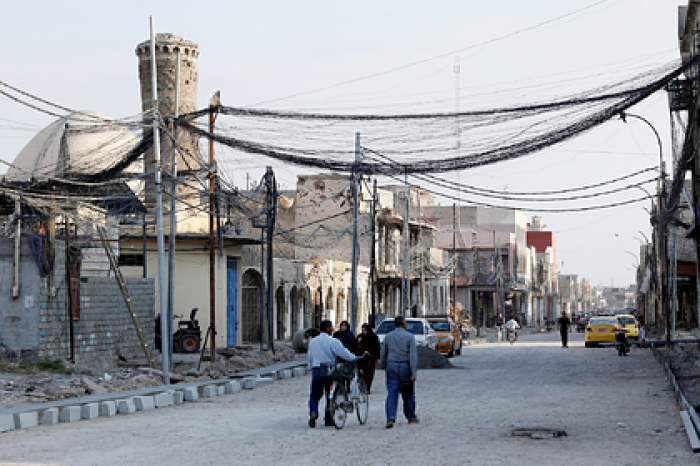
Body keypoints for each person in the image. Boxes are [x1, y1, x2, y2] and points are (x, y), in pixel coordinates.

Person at [307, 320, 362, 428]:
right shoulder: (333, 341)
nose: (333, 329)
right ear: (328, 329)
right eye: (331, 327)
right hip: (329, 370)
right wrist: (353, 358)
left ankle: (313, 412)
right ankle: (328, 419)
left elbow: (309, 357)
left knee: (314, 395)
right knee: (330, 394)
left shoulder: (312, 341)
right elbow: (343, 353)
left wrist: (310, 367)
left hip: (316, 370)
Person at [380, 315, 419, 428]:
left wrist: (383, 365)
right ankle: (411, 417)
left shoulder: (388, 337)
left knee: (392, 392)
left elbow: (383, 353)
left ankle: (391, 417)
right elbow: (412, 356)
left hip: (391, 365)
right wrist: (413, 372)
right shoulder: (409, 337)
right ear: (403, 324)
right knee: (408, 392)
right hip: (405, 365)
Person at [356, 323, 381, 393]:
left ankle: (367, 387)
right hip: (361, 357)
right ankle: (362, 386)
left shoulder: (374, 337)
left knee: (369, 373)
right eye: (363, 330)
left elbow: (377, 348)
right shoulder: (360, 337)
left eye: (365, 330)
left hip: (371, 357)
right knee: (361, 373)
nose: (364, 332)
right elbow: (356, 347)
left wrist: (378, 358)